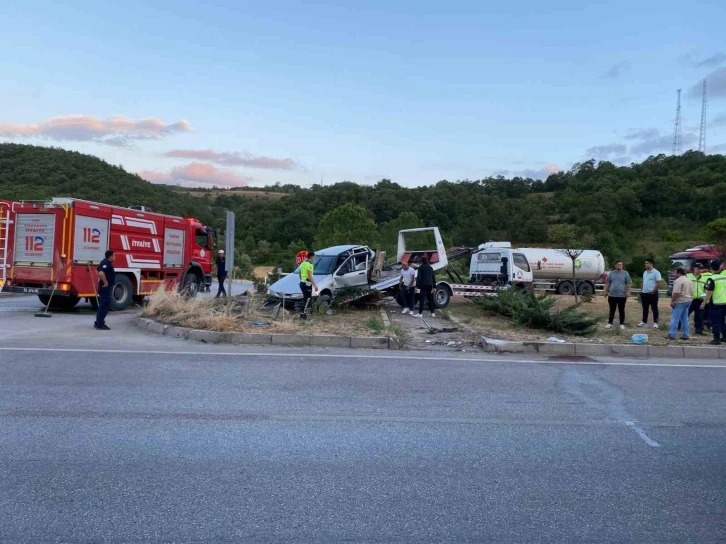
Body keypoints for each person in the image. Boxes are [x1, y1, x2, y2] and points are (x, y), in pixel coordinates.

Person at [701, 259, 726, 346]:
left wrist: (704, 302)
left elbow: (709, 292)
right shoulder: (724, 277)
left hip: (715, 303)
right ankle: (724, 337)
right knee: (723, 321)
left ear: (711, 268)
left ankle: (716, 339)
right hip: (724, 302)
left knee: (715, 322)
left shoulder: (711, 279)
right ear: (720, 267)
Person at [604, 260, 631, 330]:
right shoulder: (611, 273)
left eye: (621, 264)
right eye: (618, 264)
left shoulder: (625, 273)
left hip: (622, 295)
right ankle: (610, 323)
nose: (620, 266)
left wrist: (628, 292)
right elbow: (607, 283)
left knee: (621, 310)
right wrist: (605, 291)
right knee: (612, 310)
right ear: (615, 265)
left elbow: (628, 283)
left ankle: (621, 323)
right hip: (612, 295)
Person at [668, 267, 693, 340]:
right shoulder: (689, 280)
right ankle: (686, 334)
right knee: (684, 318)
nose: (674, 274)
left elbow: (676, 292)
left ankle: (672, 334)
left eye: (675, 273)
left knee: (675, 318)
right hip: (688, 300)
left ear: (679, 273)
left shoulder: (678, 281)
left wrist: (672, 301)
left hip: (680, 301)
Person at [94, 250, 116, 331]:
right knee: (104, 306)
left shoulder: (104, 262)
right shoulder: (106, 263)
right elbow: (100, 273)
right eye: (114, 256)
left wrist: (102, 279)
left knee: (103, 305)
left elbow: (97, 270)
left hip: (104, 288)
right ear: (110, 256)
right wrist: (105, 282)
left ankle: (98, 322)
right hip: (105, 288)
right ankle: (100, 324)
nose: (115, 257)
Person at [638, 259, 663, 329]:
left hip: (652, 294)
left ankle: (655, 322)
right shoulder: (645, 272)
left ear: (651, 264)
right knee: (645, 308)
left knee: (654, 308)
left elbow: (659, 283)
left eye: (647, 263)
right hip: (644, 293)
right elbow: (643, 282)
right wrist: (641, 290)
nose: (645, 264)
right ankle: (644, 321)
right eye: (645, 263)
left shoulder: (656, 272)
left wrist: (653, 291)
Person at [686, 263, 707, 335]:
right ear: (694, 268)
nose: (699, 270)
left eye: (701, 269)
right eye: (698, 268)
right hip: (690, 299)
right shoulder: (688, 276)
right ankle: (679, 326)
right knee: (686, 313)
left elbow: (706, 289)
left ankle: (699, 329)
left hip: (700, 299)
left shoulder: (705, 278)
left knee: (699, 315)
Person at [298, 252, 318, 319]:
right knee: (308, 299)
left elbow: (300, 273)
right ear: (311, 257)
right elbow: (310, 276)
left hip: (302, 283)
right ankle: (305, 315)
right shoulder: (310, 265)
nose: (314, 259)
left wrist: (301, 280)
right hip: (307, 283)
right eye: (314, 257)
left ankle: (301, 313)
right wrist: (315, 285)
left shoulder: (303, 263)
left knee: (304, 298)